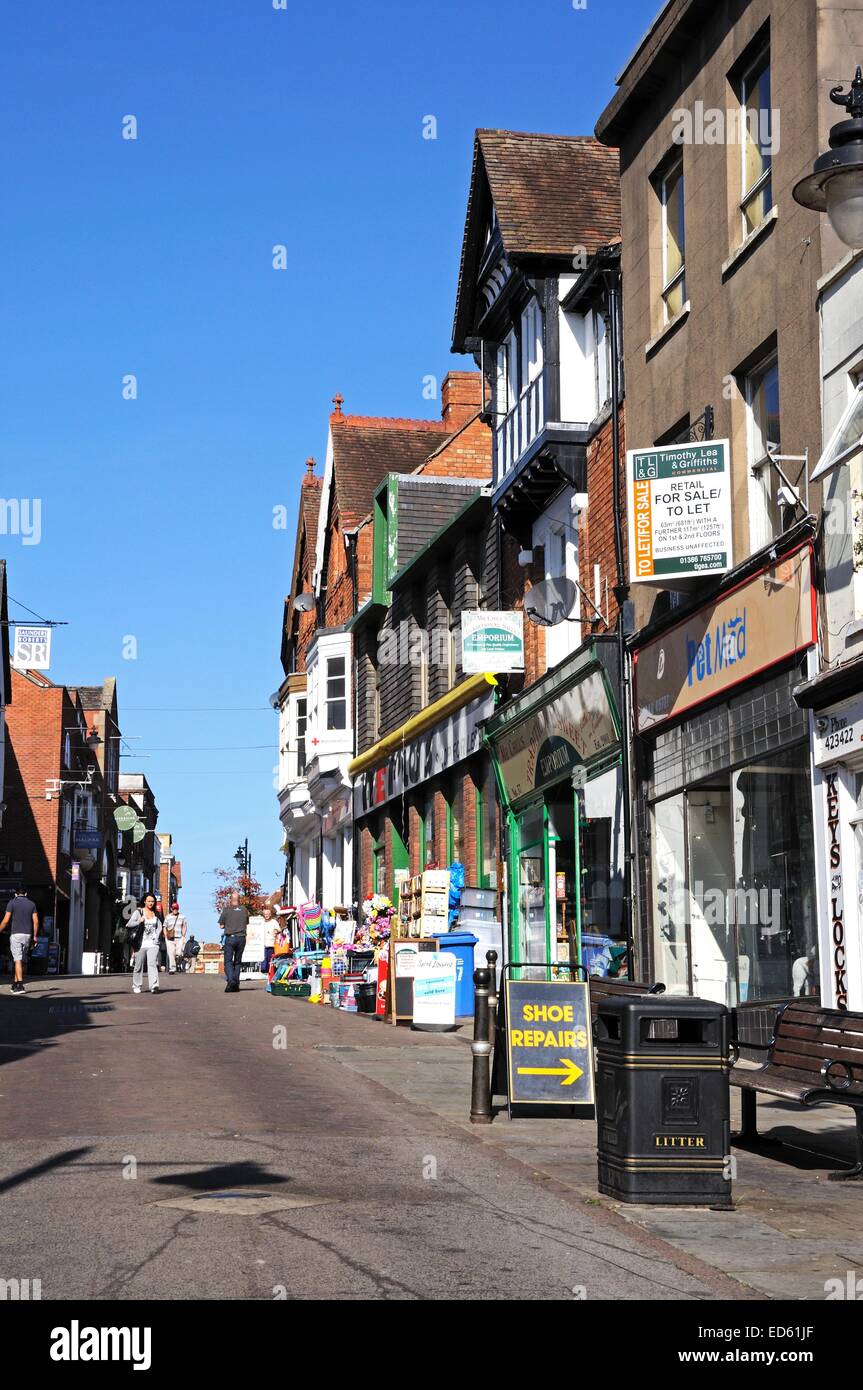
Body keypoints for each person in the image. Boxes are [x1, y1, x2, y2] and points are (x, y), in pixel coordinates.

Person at [0, 887, 38, 995]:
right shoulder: (32, 904)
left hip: (16, 934)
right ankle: (15, 984)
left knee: (17, 960)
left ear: (16, 894)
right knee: (20, 960)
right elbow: (36, 921)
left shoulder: (12, 903)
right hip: (27, 935)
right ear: (26, 893)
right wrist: (35, 936)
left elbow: (6, 920)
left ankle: (20, 985)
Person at [128, 893, 163, 995]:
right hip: (140, 943)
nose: (151, 903)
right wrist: (139, 921)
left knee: (152, 964)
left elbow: (160, 926)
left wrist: (157, 937)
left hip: (153, 944)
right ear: (144, 901)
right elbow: (129, 924)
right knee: (138, 965)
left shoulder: (156, 913)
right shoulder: (139, 912)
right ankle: (137, 985)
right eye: (149, 901)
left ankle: (154, 985)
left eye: (152, 901)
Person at [218, 890, 249, 993]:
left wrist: (228, 924)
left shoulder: (226, 910)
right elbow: (246, 922)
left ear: (230, 900)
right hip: (241, 938)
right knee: (238, 961)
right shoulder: (244, 909)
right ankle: (236, 984)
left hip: (231, 938)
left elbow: (221, 925)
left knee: (228, 961)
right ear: (239, 900)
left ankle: (231, 980)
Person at [163, 901, 188, 974]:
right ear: (171, 909)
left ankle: (178, 964)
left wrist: (183, 935)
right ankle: (172, 969)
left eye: (176, 908)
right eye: (174, 908)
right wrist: (165, 935)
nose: (175, 910)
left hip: (179, 937)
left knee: (179, 953)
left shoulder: (182, 916)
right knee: (171, 953)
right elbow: (164, 926)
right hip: (170, 938)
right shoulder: (168, 917)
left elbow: (184, 926)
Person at [261, 903, 277, 975]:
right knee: (263, 960)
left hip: (271, 944)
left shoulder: (274, 922)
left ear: (270, 914)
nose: (266, 915)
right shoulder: (260, 922)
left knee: (270, 960)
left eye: (268, 914)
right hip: (262, 944)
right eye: (265, 914)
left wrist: (276, 930)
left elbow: (278, 929)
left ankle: (270, 973)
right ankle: (263, 972)